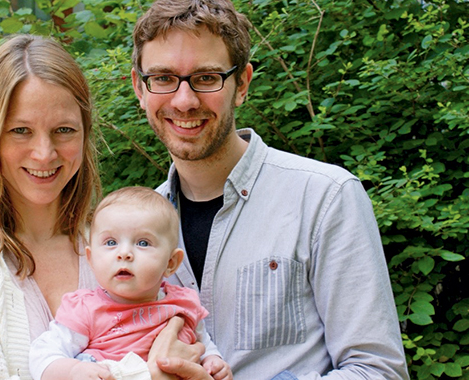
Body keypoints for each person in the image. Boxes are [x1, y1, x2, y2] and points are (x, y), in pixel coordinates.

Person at [130, 1, 410, 379]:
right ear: (140, 87)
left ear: (242, 83)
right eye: (163, 78)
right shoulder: (133, 228)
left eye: (207, 77)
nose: (184, 100)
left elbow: (378, 371)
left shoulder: (324, 197)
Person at [0, 34, 202, 380]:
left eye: (63, 130)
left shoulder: (114, 242)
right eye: (20, 131)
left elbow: (190, 346)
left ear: (84, 134)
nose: (44, 153)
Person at [29, 186, 232, 380]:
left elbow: (203, 342)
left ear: (171, 263)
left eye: (142, 243)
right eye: (111, 242)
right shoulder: (86, 309)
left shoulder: (184, 303)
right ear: (91, 259)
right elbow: (43, 354)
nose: (124, 253)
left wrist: (213, 361)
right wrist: (73, 371)